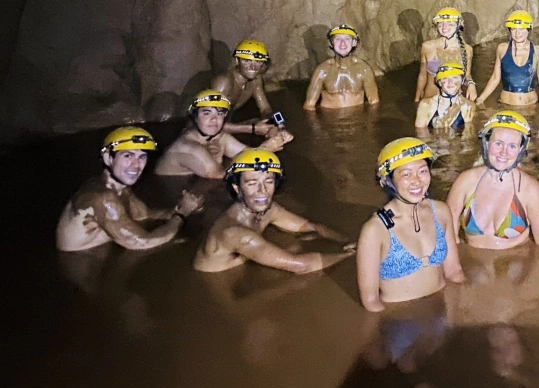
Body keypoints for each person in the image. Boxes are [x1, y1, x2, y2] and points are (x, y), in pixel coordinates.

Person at [194, 149, 355, 273]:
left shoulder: (269, 210)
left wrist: (347, 241)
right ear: (237, 189)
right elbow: (302, 266)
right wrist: (348, 255)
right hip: (218, 284)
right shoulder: (235, 233)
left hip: (240, 266)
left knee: (293, 244)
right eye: (252, 183)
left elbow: (310, 226)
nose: (262, 190)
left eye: (268, 181)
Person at [357, 138, 466, 310]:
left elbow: (454, 271)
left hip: (441, 311)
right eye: (406, 174)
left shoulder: (440, 211)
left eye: (422, 171)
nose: (417, 181)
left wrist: (466, 310)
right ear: (388, 180)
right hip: (399, 322)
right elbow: (371, 301)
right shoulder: (376, 230)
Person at [56, 127, 204, 252]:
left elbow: (145, 215)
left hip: (100, 255)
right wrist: (182, 214)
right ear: (108, 158)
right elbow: (141, 243)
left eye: (142, 157)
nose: (136, 165)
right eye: (128, 155)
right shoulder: (102, 198)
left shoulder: (119, 188)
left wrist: (185, 207)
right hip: (79, 266)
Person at [446, 111, 539, 250]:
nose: (504, 152)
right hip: (472, 266)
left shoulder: (530, 190)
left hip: (514, 263)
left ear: (521, 149)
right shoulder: (465, 181)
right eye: (498, 143)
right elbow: (448, 236)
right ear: (486, 143)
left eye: (512, 146)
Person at [155, 90, 292, 180]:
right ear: (195, 116)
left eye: (220, 113)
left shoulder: (219, 137)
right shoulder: (188, 147)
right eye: (207, 113)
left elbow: (246, 152)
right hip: (172, 195)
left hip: (198, 185)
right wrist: (264, 149)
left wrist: (275, 139)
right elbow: (220, 175)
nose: (214, 119)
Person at [476, 10, 539, 106]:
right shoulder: (502, 48)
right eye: (514, 29)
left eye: (522, 29)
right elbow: (495, 78)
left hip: (530, 107)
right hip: (506, 105)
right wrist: (480, 99)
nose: (518, 33)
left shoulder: (538, 51)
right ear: (510, 30)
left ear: (529, 29)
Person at [303, 25, 380, 110]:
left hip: (357, 120)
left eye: (347, 39)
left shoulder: (364, 69)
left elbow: (374, 102)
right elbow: (309, 105)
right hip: (330, 119)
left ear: (353, 43)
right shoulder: (322, 70)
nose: (342, 43)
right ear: (331, 43)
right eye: (338, 39)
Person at [416, 8, 476, 102]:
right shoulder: (428, 47)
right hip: (431, 99)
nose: (444, 27)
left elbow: (467, 75)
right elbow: (423, 75)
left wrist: (471, 85)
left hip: (455, 100)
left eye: (450, 24)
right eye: (441, 24)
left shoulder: (467, 50)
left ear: (458, 26)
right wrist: (417, 99)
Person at [211, 38, 275, 119]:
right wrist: (252, 128)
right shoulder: (224, 83)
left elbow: (265, 109)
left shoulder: (256, 80)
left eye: (258, 61)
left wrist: (275, 123)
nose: (253, 67)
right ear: (237, 61)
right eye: (247, 61)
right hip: (204, 127)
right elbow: (212, 122)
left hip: (225, 123)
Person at [414, 62, 476, 130]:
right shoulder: (426, 105)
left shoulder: (468, 106)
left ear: (462, 81)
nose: (450, 82)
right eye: (445, 78)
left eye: (455, 77)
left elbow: (467, 134)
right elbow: (420, 133)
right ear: (440, 82)